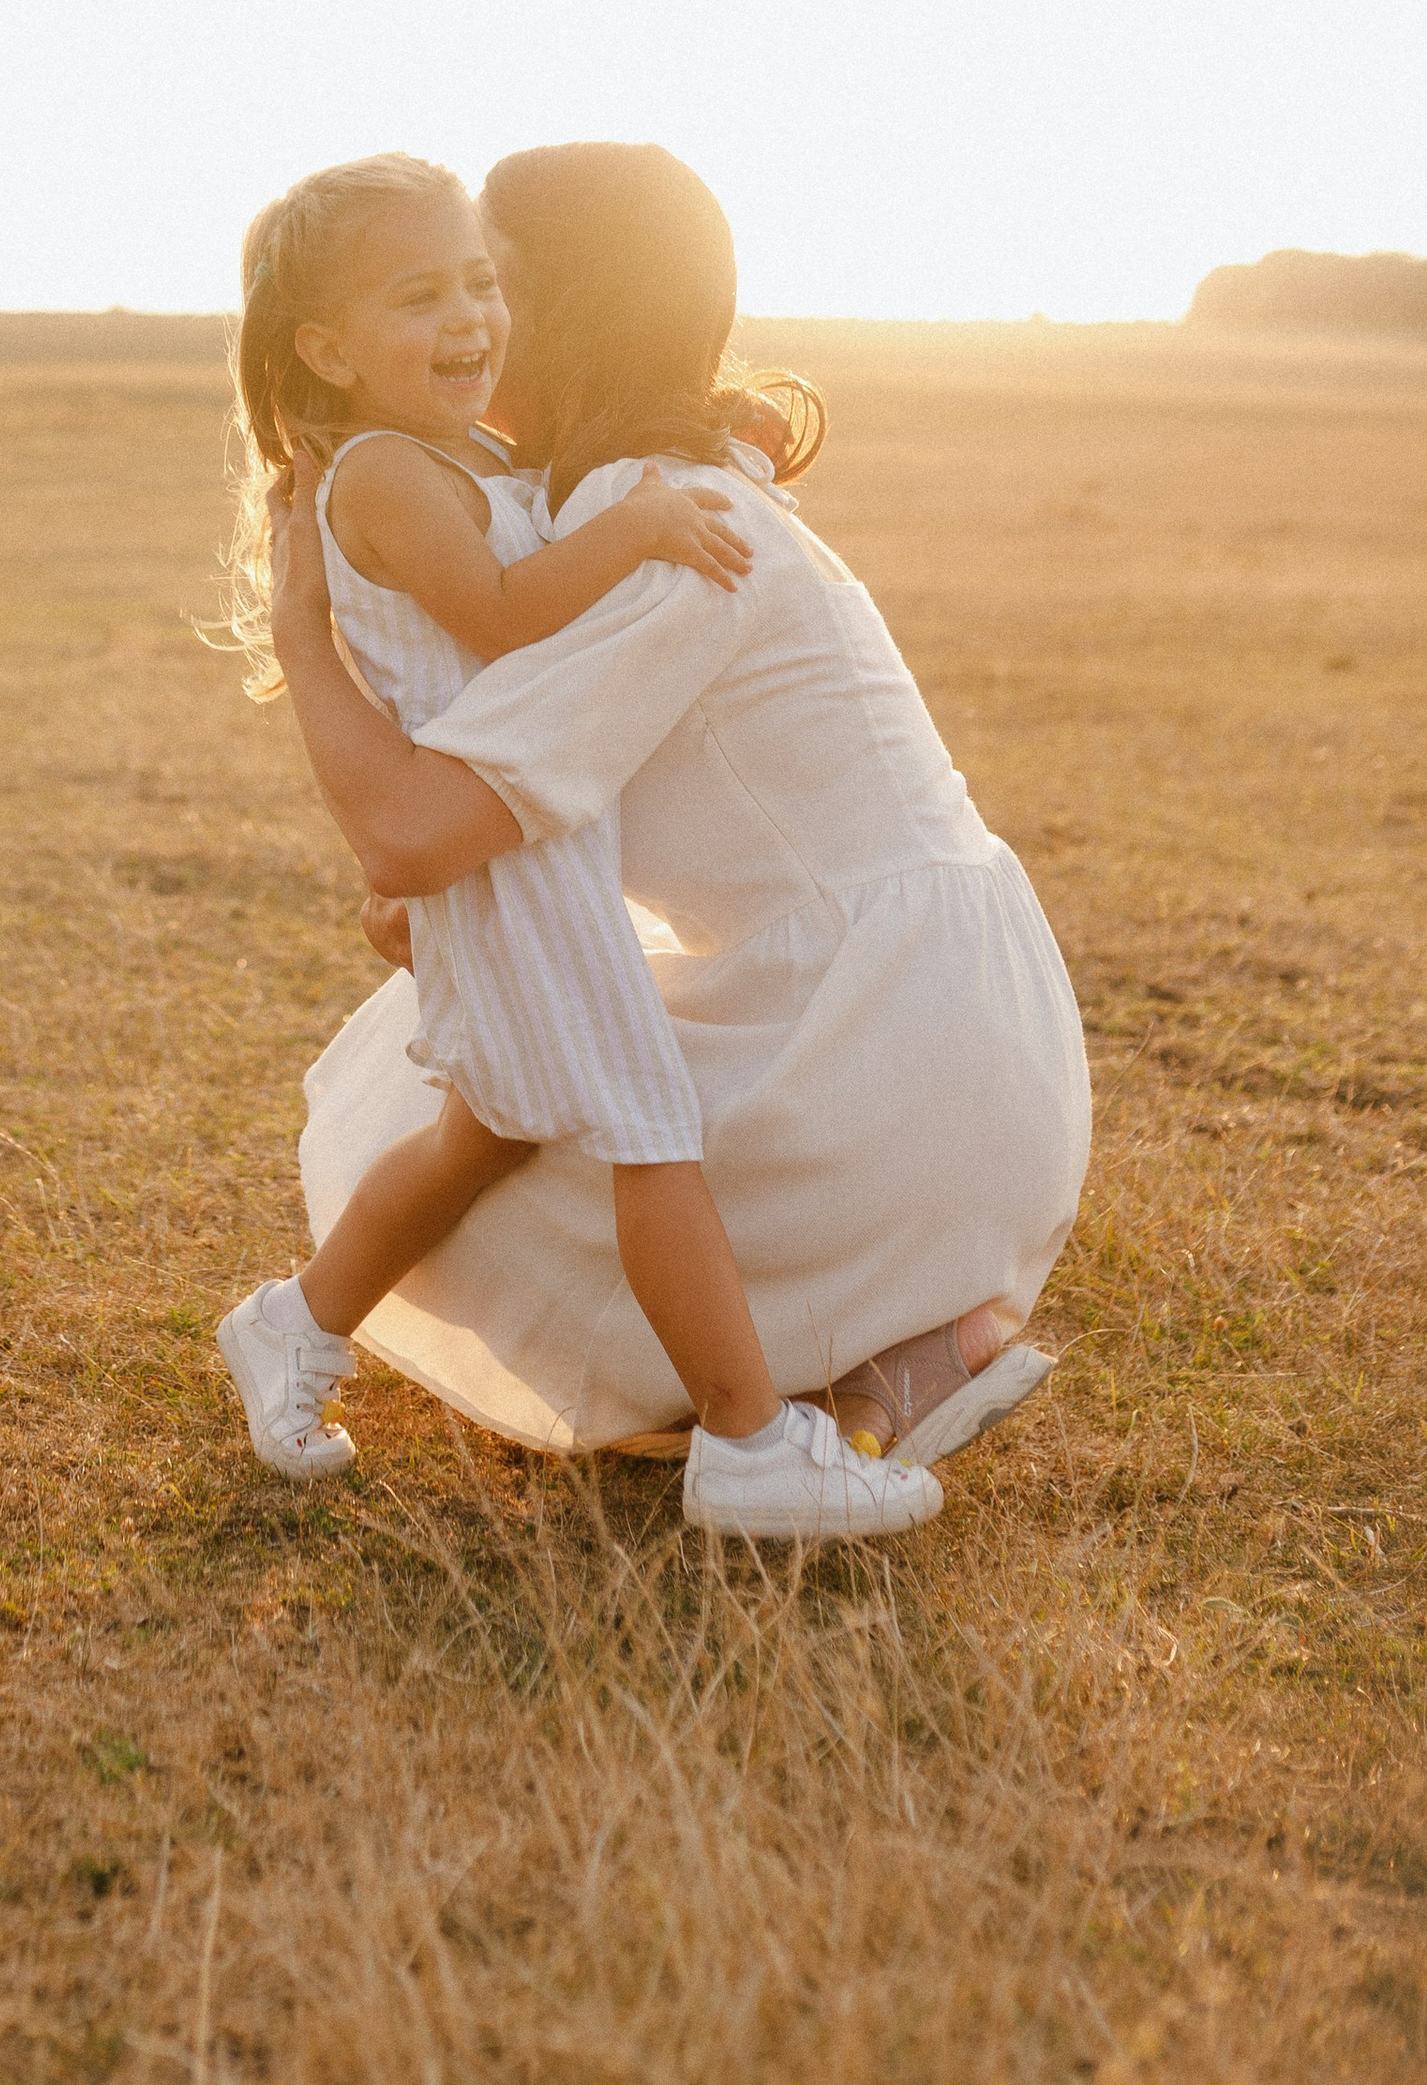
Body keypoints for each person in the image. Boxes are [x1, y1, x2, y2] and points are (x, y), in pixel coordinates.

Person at [269, 141, 1087, 1484]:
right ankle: (875, 1366)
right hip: (960, 1035)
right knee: (539, 1040)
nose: (470, 325)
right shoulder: (683, 485)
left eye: (491, 283)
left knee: (467, 1085)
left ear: (561, 312)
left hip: (891, 1058)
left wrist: (302, 633)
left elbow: (413, 834)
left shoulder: (646, 517)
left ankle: (778, 1395)